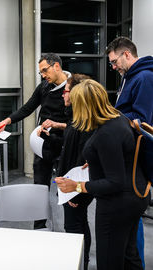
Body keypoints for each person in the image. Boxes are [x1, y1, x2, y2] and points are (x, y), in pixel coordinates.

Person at [55, 79, 150, 270]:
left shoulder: (107, 133)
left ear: (85, 105)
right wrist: (98, 160)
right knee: (129, 256)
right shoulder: (119, 119)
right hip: (136, 197)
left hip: (117, 204)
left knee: (109, 261)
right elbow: (124, 155)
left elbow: (114, 182)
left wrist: (76, 186)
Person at [0, 53, 72, 229]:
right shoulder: (44, 87)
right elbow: (28, 108)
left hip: (66, 146)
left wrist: (57, 125)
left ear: (56, 66)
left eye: (45, 71)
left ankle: (71, 230)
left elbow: (77, 123)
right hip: (43, 146)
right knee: (39, 187)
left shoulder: (75, 87)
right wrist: (6, 121)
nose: (43, 75)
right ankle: (39, 226)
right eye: (40, 72)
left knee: (67, 193)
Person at [106, 36, 153, 268]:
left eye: (115, 62)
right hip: (128, 152)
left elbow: (143, 121)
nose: (113, 67)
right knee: (130, 221)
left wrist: (111, 118)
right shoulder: (130, 78)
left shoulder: (144, 77)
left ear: (127, 54)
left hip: (137, 157)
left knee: (133, 216)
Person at [37, 74, 93, 270]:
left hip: (74, 186)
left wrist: (73, 190)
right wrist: (50, 137)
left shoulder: (84, 123)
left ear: (76, 93)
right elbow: (67, 146)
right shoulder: (75, 119)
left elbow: (82, 160)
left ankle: (80, 264)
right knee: (78, 224)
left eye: (66, 91)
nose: (63, 95)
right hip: (69, 184)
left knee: (75, 227)